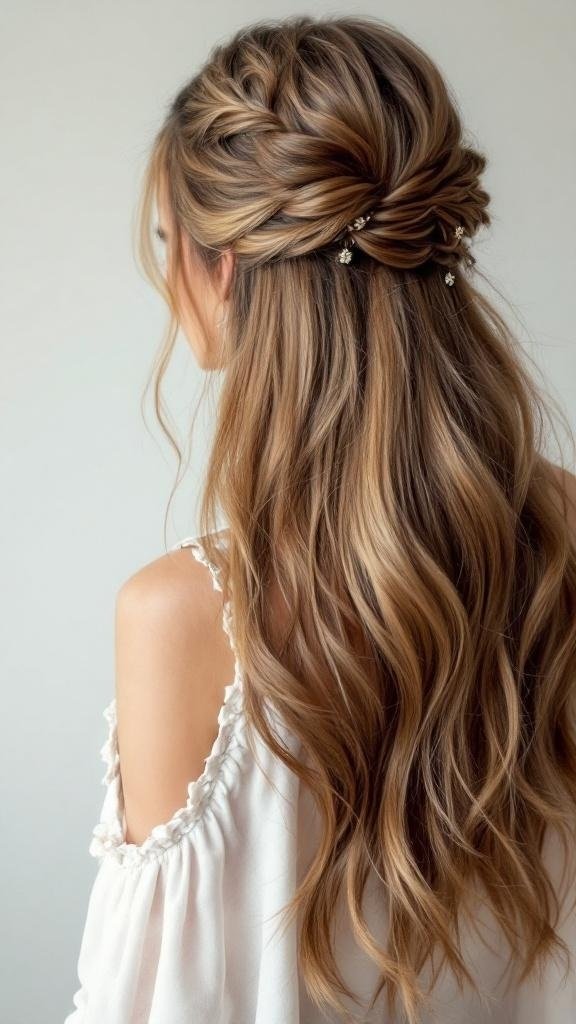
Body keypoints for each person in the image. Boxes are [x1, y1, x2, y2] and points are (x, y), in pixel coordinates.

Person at [64, 13, 576, 1024]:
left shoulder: (184, 617)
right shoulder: (563, 538)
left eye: (170, 241)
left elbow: (151, 1008)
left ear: (220, 269)